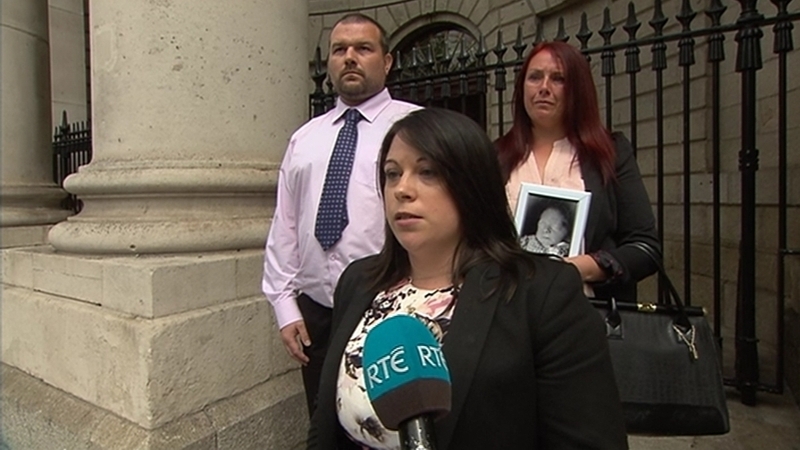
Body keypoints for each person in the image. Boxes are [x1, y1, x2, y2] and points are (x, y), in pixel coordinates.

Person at [307, 108, 628, 450]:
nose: (402, 189)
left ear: (472, 184)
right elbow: (325, 422)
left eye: (427, 171)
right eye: (391, 173)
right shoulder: (358, 282)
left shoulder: (542, 293)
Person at [261, 13, 420, 417]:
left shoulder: (414, 127)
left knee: (389, 421)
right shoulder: (305, 138)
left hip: (391, 307)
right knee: (324, 421)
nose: (350, 58)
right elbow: (286, 225)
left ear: (386, 61)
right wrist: (285, 306)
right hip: (316, 315)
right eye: (339, 50)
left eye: (363, 48)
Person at [496, 41, 661, 302]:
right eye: (535, 77)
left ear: (577, 90)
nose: (544, 88)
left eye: (558, 79)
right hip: (508, 313)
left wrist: (581, 268)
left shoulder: (611, 153)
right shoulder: (495, 157)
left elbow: (645, 248)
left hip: (587, 317)